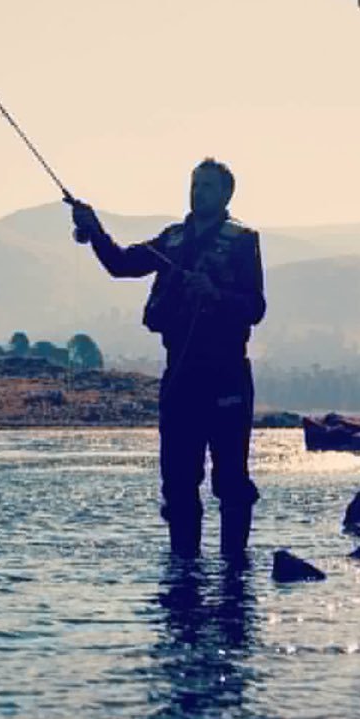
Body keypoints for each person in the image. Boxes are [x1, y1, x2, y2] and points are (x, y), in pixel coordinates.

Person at [69, 158, 266, 559]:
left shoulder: (244, 242)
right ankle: (183, 571)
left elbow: (256, 307)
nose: (198, 192)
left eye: (208, 186)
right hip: (181, 375)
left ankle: (234, 574)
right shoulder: (171, 239)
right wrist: (93, 229)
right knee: (178, 480)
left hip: (227, 372)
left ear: (227, 194)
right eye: (195, 184)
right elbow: (122, 264)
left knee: (230, 481)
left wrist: (215, 294)